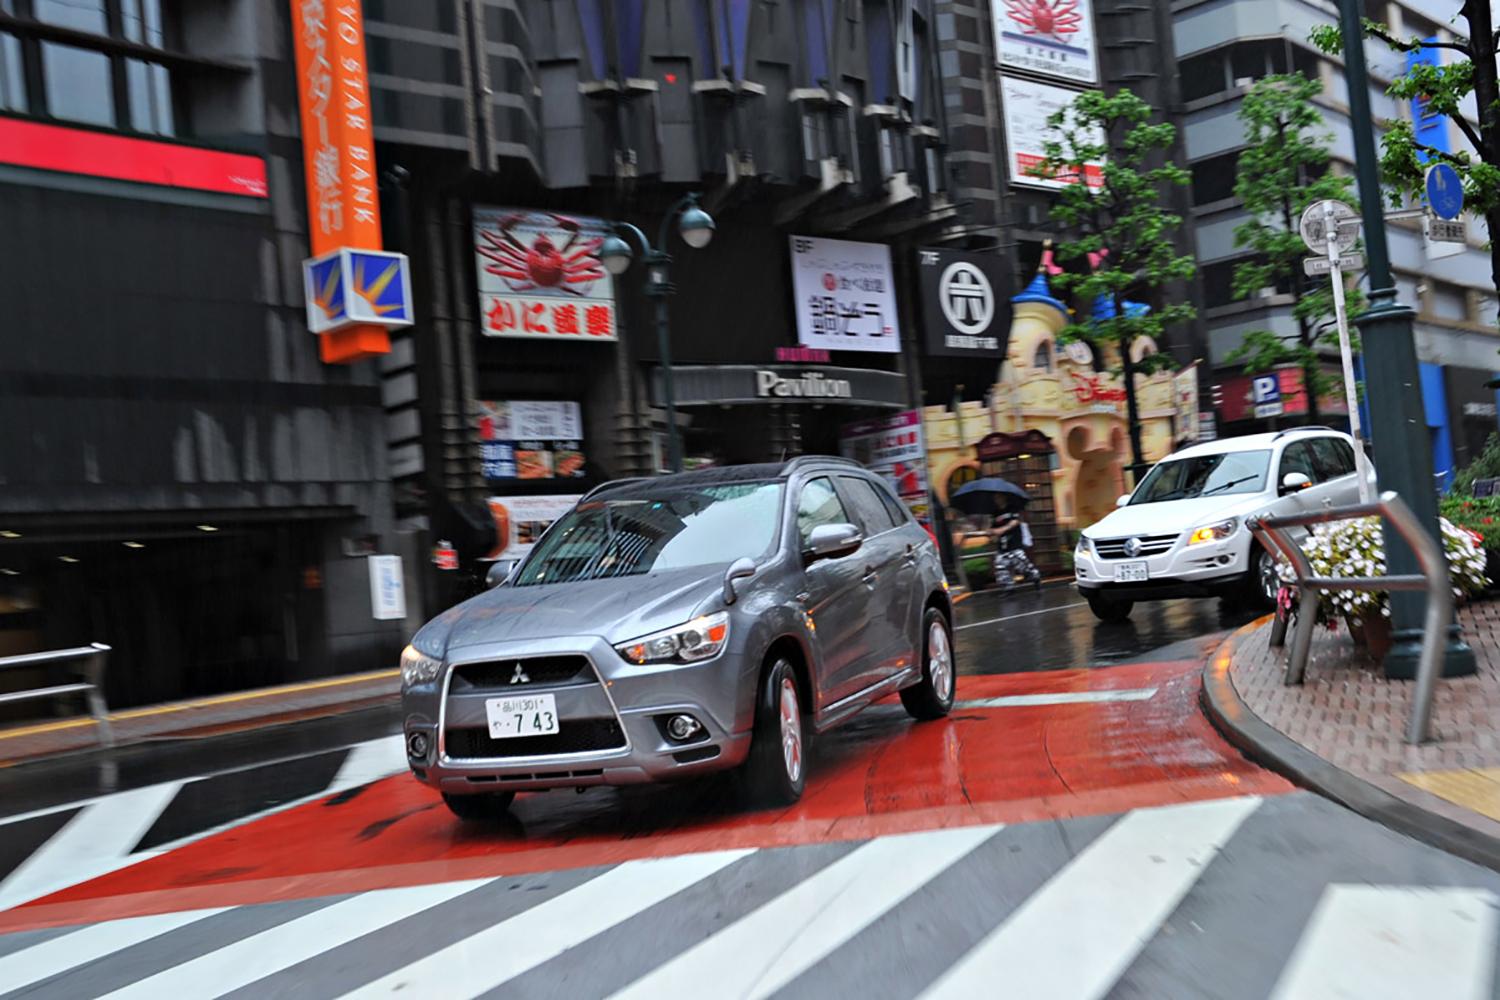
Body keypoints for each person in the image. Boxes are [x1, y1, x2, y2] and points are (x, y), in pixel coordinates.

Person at [991, 509, 1042, 593]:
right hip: (1002, 545)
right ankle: (1008, 588)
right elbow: (992, 529)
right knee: (1001, 567)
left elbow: (1015, 521)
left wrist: (1003, 529)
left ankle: (1035, 577)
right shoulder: (995, 514)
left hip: (1014, 544)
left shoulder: (1013, 508)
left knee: (1023, 566)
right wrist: (992, 531)